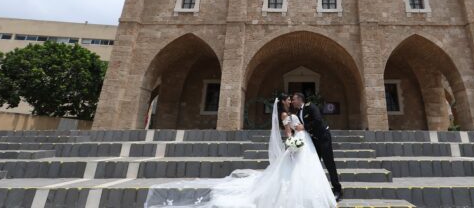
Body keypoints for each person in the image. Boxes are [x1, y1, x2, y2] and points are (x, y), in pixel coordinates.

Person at [144, 93, 336, 207]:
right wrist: (294, 136)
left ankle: (320, 191)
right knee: (297, 169)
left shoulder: (300, 110)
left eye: (293, 98)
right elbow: (288, 131)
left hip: (308, 140)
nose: (291, 100)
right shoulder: (287, 114)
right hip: (299, 140)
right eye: (290, 99)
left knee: (307, 167)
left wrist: (301, 131)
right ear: (286, 103)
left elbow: (311, 122)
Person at [292, 92, 342, 201]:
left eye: (294, 99)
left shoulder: (310, 106)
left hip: (323, 137)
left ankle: (337, 189)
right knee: (315, 164)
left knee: (329, 163)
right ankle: (318, 189)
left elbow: (318, 120)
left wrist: (304, 127)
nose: (292, 101)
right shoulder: (298, 112)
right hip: (314, 139)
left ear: (300, 99)